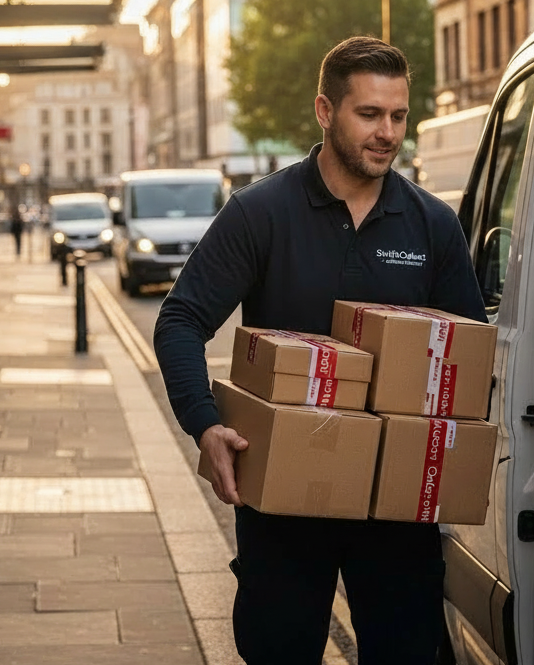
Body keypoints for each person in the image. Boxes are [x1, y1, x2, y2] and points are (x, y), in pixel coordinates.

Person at [153, 37, 484, 664]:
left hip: (395, 509)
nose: (388, 133)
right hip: (283, 499)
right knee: (278, 651)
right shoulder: (261, 213)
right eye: (369, 114)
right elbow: (181, 320)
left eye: (398, 116)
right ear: (325, 111)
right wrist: (205, 425)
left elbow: (466, 354)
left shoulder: (432, 225)